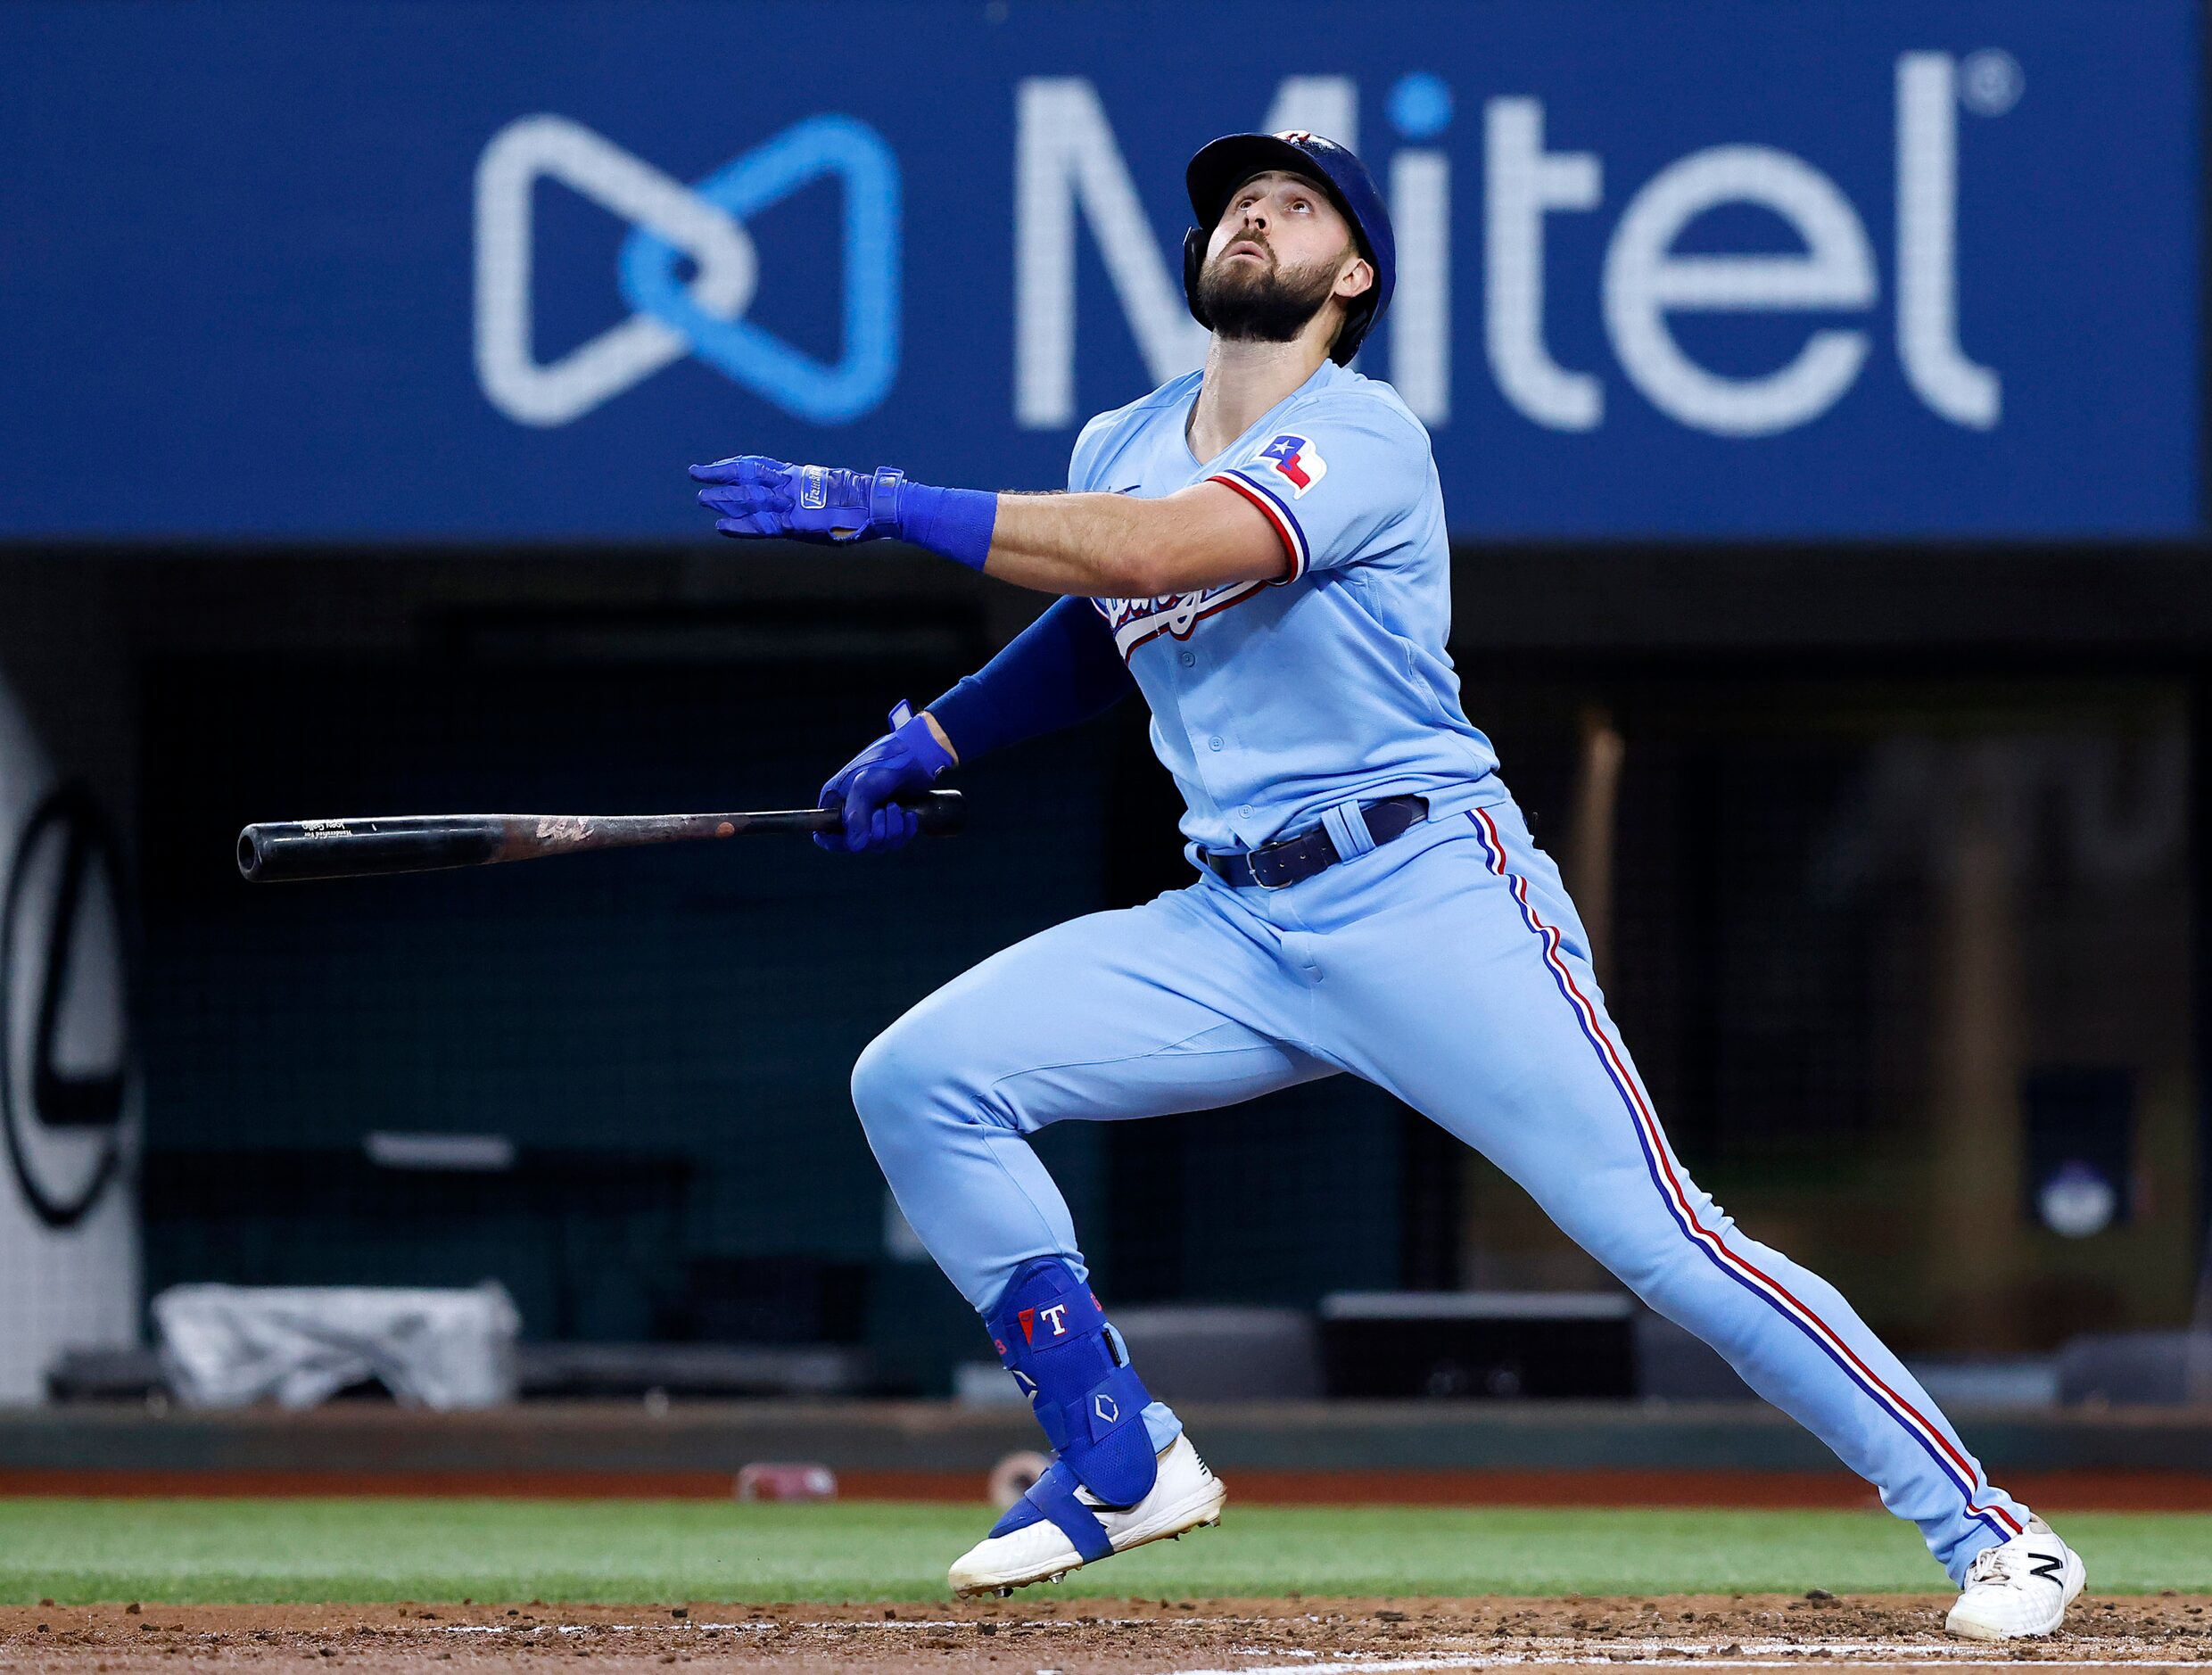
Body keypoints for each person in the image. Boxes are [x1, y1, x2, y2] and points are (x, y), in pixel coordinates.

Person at [689, 130, 2084, 1640]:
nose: (1254, 216)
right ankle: (1119, 1447)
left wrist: (888, 501)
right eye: (1236, 199)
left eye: (1295, 206)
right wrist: (939, 735)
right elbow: (1106, 622)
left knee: (1660, 1237)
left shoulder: (1362, 435)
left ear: (1350, 278)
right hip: (1233, 921)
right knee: (920, 1077)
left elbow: (1172, 546)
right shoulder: (1116, 441)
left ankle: (1992, 1527)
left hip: (1425, 890)